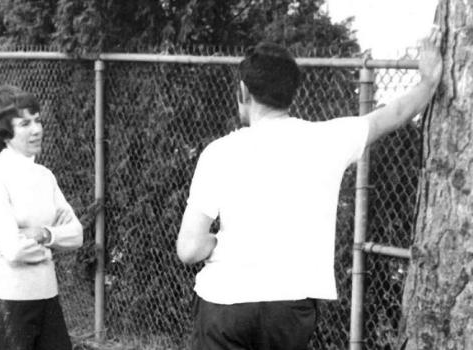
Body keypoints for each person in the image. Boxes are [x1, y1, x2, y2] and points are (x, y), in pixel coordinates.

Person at [176, 29, 442, 350]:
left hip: (224, 304)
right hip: (290, 309)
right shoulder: (328, 140)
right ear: (292, 92)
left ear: (243, 91)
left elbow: (189, 249)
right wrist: (428, 82)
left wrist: (214, 241)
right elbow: (394, 115)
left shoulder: (218, 152)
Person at [0, 84, 84, 350]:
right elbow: (14, 251)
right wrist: (51, 247)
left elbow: (77, 234)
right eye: (25, 123)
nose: (36, 129)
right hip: (7, 304)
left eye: (37, 120)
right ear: (5, 133)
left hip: (48, 299)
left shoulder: (45, 177)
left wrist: (45, 234)